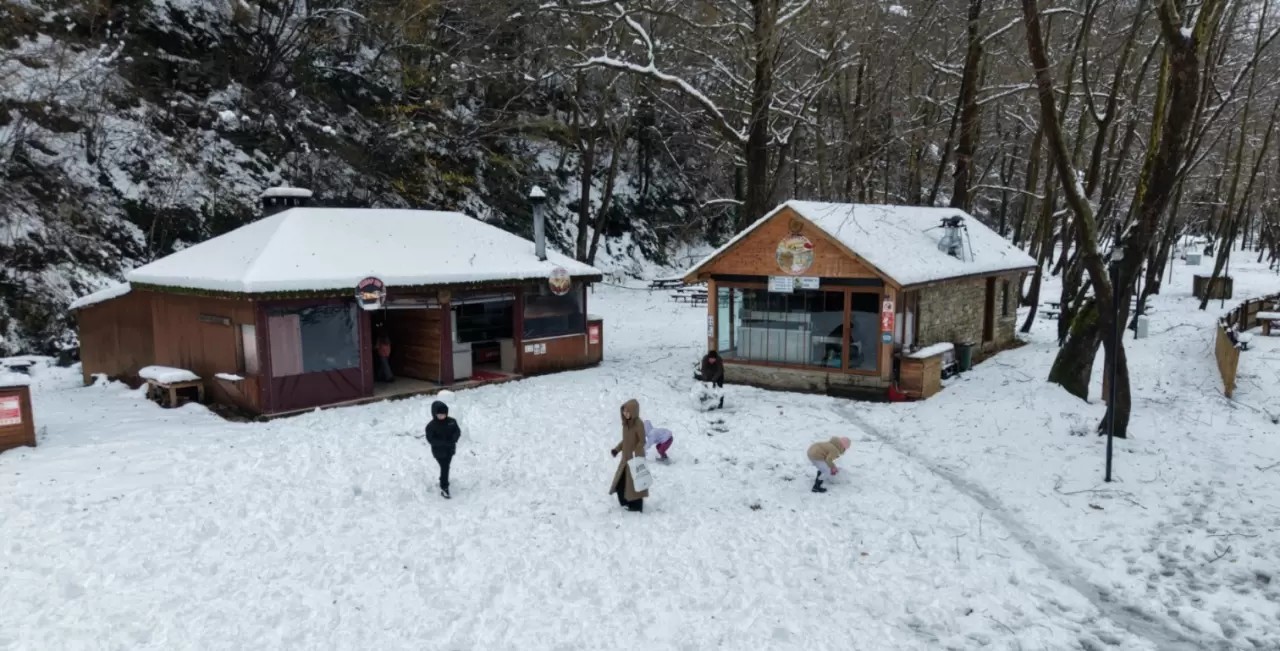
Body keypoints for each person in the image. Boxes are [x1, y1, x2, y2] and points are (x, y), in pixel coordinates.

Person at [610, 399, 649, 512]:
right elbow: (625, 441)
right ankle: (625, 502)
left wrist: (635, 452)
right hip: (625, 460)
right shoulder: (626, 425)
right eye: (624, 412)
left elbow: (642, 441)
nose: (625, 414)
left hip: (635, 460)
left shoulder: (638, 424)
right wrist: (617, 449)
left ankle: (636, 507)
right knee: (620, 483)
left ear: (634, 411)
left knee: (635, 485)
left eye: (628, 412)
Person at [425, 400, 461, 498]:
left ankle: (443, 479)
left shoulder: (451, 422)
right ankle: (444, 487)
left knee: (446, 466)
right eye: (439, 415)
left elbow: (457, 431)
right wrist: (443, 443)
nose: (442, 417)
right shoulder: (431, 426)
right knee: (445, 466)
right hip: (439, 452)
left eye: (444, 414)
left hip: (450, 450)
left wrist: (454, 439)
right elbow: (430, 439)